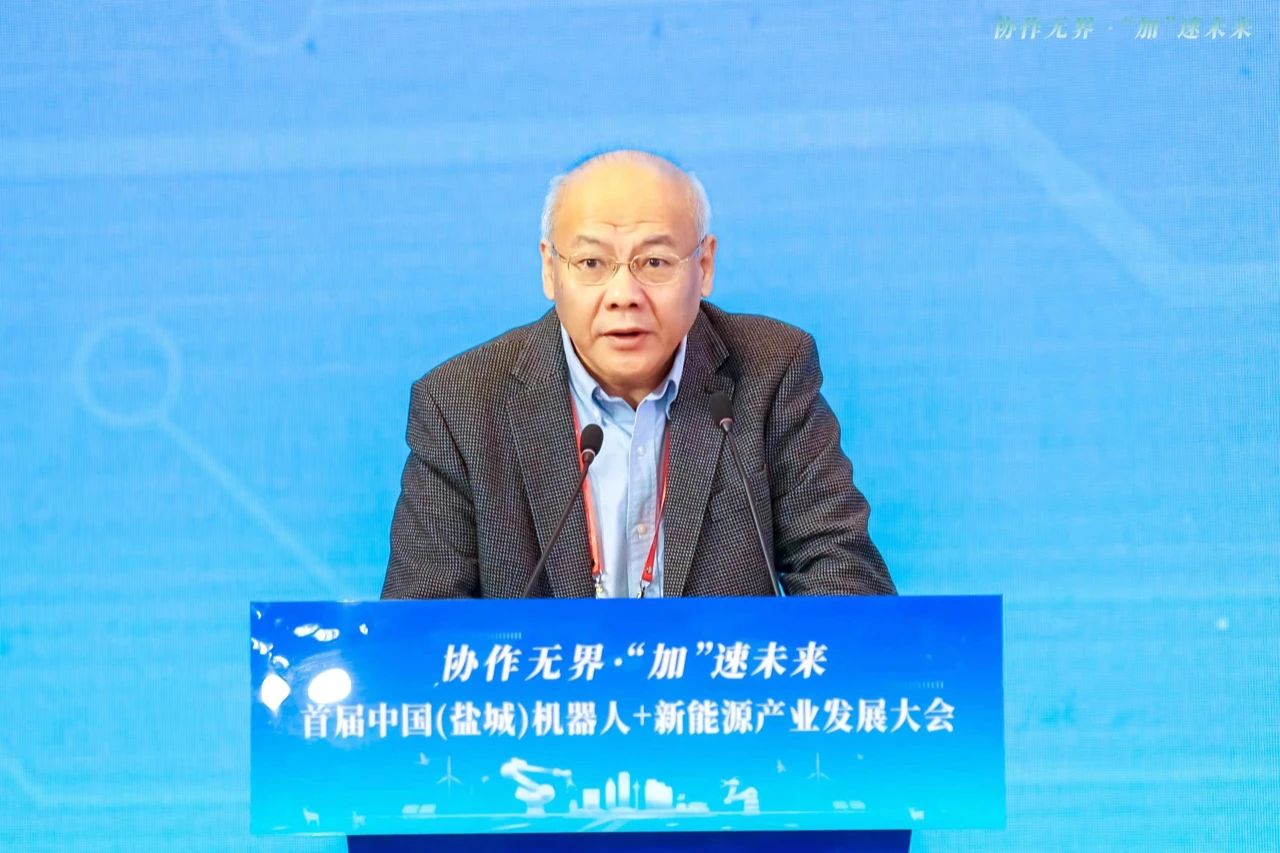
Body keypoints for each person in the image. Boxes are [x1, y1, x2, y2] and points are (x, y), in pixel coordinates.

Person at [381, 150, 895, 599]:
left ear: (704, 266)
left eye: (654, 262)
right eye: (591, 263)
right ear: (550, 270)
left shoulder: (770, 372)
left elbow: (845, 583)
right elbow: (419, 633)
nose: (623, 295)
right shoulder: (461, 406)